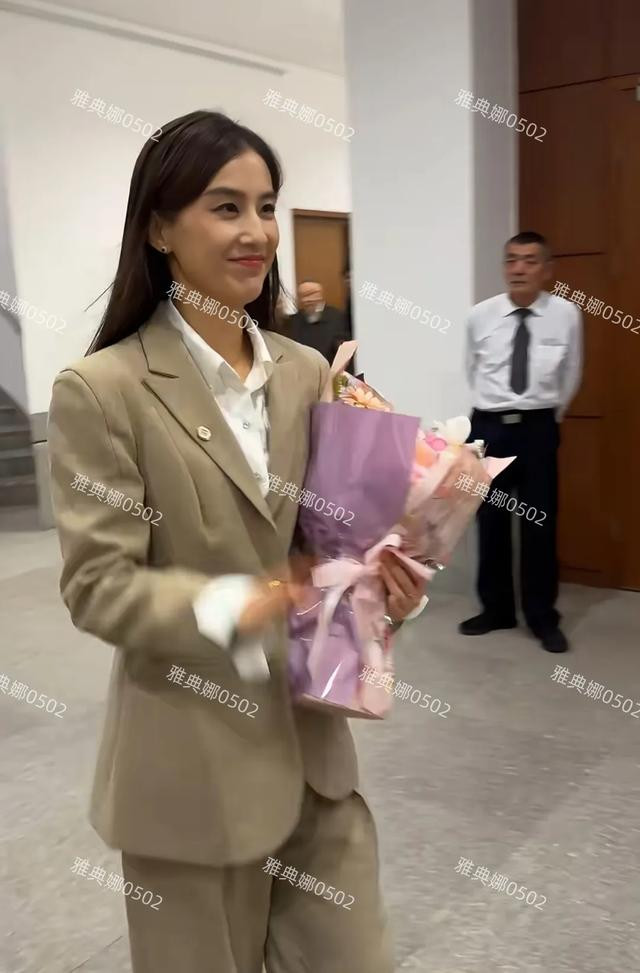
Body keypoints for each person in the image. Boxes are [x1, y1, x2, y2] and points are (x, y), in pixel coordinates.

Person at [47, 110, 427, 973]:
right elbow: (99, 585)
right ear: (159, 228)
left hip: (313, 760)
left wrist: (386, 586)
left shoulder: (307, 372)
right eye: (226, 207)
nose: (256, 231)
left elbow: (335, 546)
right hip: (190, 771)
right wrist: (241, 601)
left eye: (266, 206)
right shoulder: (103, 389)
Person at [461, 231, 582, 653]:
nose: (519, 268)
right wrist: (490, 416)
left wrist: (544, 418)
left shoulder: (566, 315)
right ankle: (496, 610)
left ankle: (542, 616)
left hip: (537, 430)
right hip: (490, 428)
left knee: (539, 524)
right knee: (490, 523)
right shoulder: (480, 315)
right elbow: (472, 369)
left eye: (530, 260)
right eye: (512, 260)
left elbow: (571, 374)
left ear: (547, 269)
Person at [287, 280, 350, 365]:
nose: (308, 299)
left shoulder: (338, 318)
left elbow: (345, 352)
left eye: (312, 293)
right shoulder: (292, 321)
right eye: (304, 295)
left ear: (321, 294)